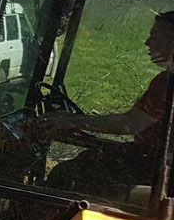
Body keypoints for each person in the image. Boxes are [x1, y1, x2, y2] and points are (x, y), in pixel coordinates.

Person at [35, 10, 174, 201]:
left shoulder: (167, 84)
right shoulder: (167, 80)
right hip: (151, 161)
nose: (147, 42)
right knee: (87, 162)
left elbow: (128, 124)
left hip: (160, 172)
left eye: (155, 36)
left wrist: (72, 121)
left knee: (71, 178)